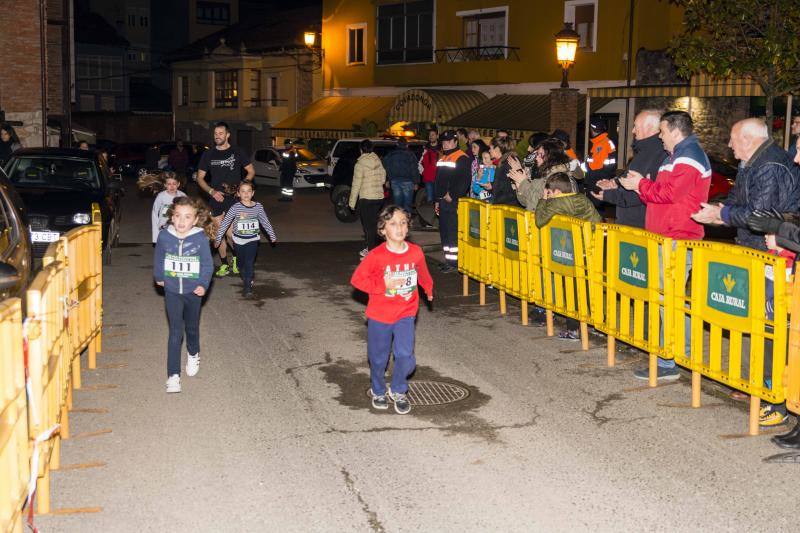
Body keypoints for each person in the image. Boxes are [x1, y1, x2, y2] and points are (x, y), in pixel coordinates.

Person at [692, 117, 800, 426]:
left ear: (749, 139)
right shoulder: (752, 162)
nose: (728, 145)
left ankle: (773, 393)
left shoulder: (769, 166)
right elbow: (741, 202)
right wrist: (719, 212)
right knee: (757, 322)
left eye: (733, 138)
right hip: (758, 252)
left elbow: (760, 216)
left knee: (771, 326)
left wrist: (723, 214)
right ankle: (757, 382)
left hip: (773, 256)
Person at [619, 110, 711, 381]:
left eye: (662, 131)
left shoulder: (688, 156)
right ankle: (673, 355)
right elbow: (661, 197)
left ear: (674, 130)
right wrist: (639, 187)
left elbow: (670, 194)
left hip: (677, 237)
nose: (660, 137)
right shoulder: (677, 156)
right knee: (665, 299)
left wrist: (641, 184)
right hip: (668, 235)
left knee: (667, 300)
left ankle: (671, 359)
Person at [350, 205, 433, 415]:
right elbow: (357, 280)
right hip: (380, 315)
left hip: (406, 312)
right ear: (383, 229)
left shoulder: (415, 252)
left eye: (403, 223)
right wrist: (383, 286)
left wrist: (428, 289)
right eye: (393, 223)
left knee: (405, 356)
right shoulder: (376, 256)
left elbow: (422, 273)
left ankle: (399, 390)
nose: (400, 228)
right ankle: (378, 389)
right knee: (378, 357)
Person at [153, 196, 214, 393]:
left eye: (187, 217)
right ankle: (173, 375)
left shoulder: (200, 238)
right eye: (177, 216)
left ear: (195, 220)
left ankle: (194, 353)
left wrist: (203, 284)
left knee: (192, 328)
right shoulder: (164, 236)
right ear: (172, 216)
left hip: (193, 292)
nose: (181, 221)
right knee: (175, 332)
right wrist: (159, 275)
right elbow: (159, 258)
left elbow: (207, 264)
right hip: (172, 291)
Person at [534, 172, 602, 339]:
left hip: (570, 252)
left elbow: (539, 220)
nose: (548, 195)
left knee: (571, 290)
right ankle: (592, 322)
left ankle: (574, 329)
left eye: (549, 192)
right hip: (589, 250)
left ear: (556, 191)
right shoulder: (582, 199)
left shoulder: (556, 202)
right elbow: (597, 220)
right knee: (585, 288)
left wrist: (543, 200)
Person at [196, 122, 255, 278]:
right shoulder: (208, 154)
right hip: (216, 199)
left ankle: (236, 260)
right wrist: (211, 191)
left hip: (233, 199)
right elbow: (200, 178)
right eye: (215, 133)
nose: (217, 136)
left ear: (227, 135)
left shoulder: (237, 151)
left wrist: (242, 187)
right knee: (218, 234)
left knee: (231, 234)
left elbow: (250, 171)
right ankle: (224, 264)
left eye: (221, 133)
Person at [592, 110, 666, 228]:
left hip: (640, 225)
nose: (632, 131)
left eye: (636, 126)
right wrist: (615, 183)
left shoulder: (659, 155)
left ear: (650, 127)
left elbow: (640, 194)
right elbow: (630, 178)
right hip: (630, 223)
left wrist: (609, 195)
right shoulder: (644, 151)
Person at [214, 181, 278, 298]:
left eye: (249, 191)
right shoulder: (235, 207)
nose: (246, 194)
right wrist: (218, 238)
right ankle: (246, 276)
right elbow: (225, 223)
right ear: (238, 194)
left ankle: (247, 287)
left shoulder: (258, 207)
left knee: (249, 263)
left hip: (253, 240)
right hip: (238, 241)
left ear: (253, 193)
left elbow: (265, 221)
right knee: (240, 264)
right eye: (243, 191)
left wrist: (272, 235)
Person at [434, 130, 471, 273]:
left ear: (456, 142)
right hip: (443, 200)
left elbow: (464, 180)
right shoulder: (443, 158)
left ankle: (455, 263)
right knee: (444, 231)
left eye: (449, 141)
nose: (446, 144)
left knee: (452, 231)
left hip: (452, 201)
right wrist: (437, 199)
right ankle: (449, 260)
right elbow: (438, 181)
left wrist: (453, 195)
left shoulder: (462, 158)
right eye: (443, 142)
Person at [512, 138, 577, 211]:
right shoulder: (543, 175)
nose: (536, 158)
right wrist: (519, 185)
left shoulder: (558, 179)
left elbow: (537, 205)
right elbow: (526, 202)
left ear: (552, 157)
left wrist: (523, 182)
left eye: (541, 154)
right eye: (537, 154)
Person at [349, 140, 387, 258]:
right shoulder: (377, 161)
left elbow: (356, 184)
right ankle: (372, 248)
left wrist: (351, 203)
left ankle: (371, 251)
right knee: (374, 225)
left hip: (366, 198)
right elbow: (383, 178)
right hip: (378, 198)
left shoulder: (360, 164)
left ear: (361, 150)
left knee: (368, 226)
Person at [584, 119, 617, 206]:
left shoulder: (602, 143)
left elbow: (596, 165)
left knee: (595, 207)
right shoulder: (599, 142)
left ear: (593, 130)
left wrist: (592, 176)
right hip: (597, 179)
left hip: (597, 180)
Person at [382, 137, 419, 213]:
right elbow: (414, 169)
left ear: (397, 144)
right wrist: (416, 182)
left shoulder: (390, 155)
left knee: (398, 206)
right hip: (408, 182)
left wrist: (387, 180)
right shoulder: (411, 154)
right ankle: (407, 223)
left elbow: (386, 167)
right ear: (407, 145)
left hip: (395, 182)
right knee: (407, 206)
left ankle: (399, 222)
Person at [150, 172, 187, 244]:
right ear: (165, 185)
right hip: (164, 227)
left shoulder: (183, 195)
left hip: (178, 227)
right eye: (169, 184)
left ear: (178, 184)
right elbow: (154, 213)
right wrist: (155, 235)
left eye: (174, 184)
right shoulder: (161, 196)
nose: (172, 186)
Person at [487, 136, 519, 207]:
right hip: (506, 205)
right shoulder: (504, 162)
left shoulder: (507, 163)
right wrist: (491, 186)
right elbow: (504, 184)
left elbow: (510, 189)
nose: (489, 150)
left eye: (490, 148)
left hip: (507, 207)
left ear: (497, 149)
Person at [419, 129, 440, 204]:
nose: (431, 137)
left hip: (439, 178)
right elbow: (420, 163)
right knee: (430, 200)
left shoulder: (442, 148)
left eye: (433, 135)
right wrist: (424, 173)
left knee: (439, 199)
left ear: (437, 136)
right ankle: (431, 215)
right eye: (430, 135)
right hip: (428, 179)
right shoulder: (425, 149)